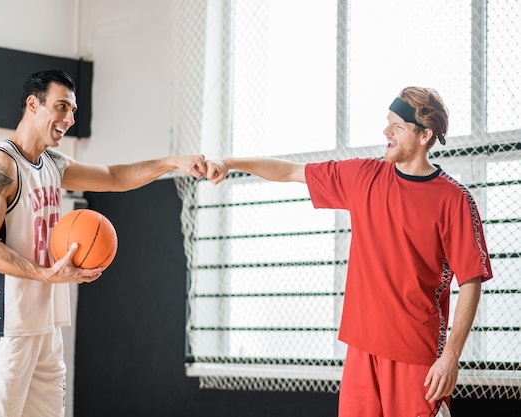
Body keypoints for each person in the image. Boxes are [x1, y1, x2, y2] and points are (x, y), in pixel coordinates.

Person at [205, 87, 492, 416]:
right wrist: (227, 162)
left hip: (416, 357)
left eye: (397, 126)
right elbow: (290, 171)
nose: (386, 131)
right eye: (388, 123)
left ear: (425, 134)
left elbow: (471, 280)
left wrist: (451, 357)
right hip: (361, 349)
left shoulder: (453, 199)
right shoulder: (363, 176)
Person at [0, 69, 207, 417]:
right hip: (7, 325)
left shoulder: (52, 163)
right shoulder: (0, 166)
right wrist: (45, 274)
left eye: (73, 110)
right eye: (62, 107)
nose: (69, 118)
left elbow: (114, 177)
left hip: (46, 325)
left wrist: (172, 163)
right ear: (33, 104)